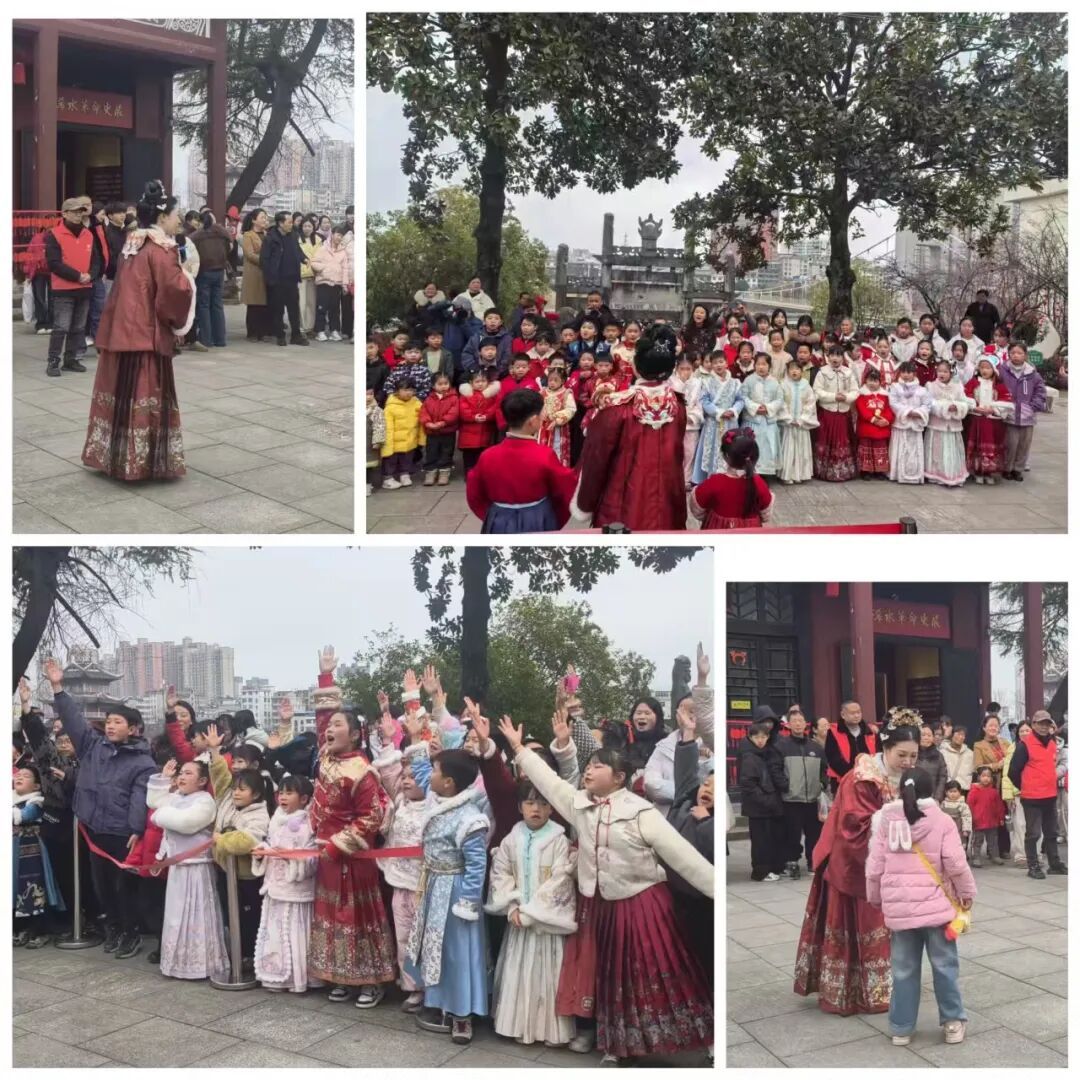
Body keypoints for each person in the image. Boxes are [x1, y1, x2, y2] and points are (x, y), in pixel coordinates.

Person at [501, 718, 714, 1064]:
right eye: (589, 765)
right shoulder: (579, 806)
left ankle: (706, 1039)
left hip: (645, 907)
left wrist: (717, 891)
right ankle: (618, 1046)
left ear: (619, 777)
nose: (589, 770)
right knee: (614, 978)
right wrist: (518, 748)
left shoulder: (641, 812)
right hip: (604, 908)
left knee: (663, 972)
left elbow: (684, 859)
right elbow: (549, 782)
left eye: (598, 766)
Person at [794, 711, 921, 1015]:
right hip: (853, 864)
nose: (908, 761)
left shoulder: (907, 777)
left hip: (888, 862)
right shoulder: (861, 778)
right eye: (902, 755)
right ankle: (852, 990)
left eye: (914, 755)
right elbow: (855, 828)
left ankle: (884, 984)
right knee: (862, 924)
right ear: (885, 748)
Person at [79, 180, 194, 482]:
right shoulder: (162, 249)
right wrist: (188, 279)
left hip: (122, 328)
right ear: (162, 217)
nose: (179, 220)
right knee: (146, 392)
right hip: (146, 332)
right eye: (176, 215)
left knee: (120, 393)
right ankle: (141, 461)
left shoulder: (132, 244)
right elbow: (173, 291)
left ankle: (115, 456)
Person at [44, 657, 155, 959]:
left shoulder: (143, 762)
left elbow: (140, 797)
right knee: (102, 886)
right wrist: (58, 688)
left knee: (124, 887)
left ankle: (130, 932)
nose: (111, 726)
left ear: (134, 728)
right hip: (94, 830)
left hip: (122, 834)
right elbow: (73, 721)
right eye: (108, 722)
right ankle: (114, 928)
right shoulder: (93, 747)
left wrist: (136, 829)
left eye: (118, 722)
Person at [307, 649, 396, 1005]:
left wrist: (337, 844)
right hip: (327, 856)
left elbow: (371, 817)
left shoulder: (362, 771)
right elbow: (322, 720)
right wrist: (326, 678)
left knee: (357, 917)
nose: (330, 730)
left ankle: (371, 981)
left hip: (353, 861)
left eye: (338, 726)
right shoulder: (327, 758)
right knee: (331, 916)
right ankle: (339, 974)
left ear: (357, 734)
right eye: (329, 726)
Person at [865, 766, 976, 1046]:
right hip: (937, 909)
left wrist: (876, 897)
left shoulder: (885, 821)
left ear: (901, 790)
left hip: (900, 911)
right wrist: (966, 893)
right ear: (932, 790)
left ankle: (901, 1028)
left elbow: (874, 866)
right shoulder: (942, 820)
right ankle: (952, 1022)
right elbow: (955, 863)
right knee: (945, 966)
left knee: (903, 969)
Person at [404, 742, 489, 1046]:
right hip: (433, 885)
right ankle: (438, 1001)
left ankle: (462, 1014)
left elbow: (477, 865)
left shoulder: (470, 818)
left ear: (449, 782)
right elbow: (421, 770)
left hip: (455, 891)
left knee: (457, 952)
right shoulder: (439, 798)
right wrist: (418, 738)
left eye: (436, 771)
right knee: (435, 948)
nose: (430, 776)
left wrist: (467, 902)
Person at [484, 778, 577, 1047]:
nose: (536, 809)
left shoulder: (559, 840)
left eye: (543, 803)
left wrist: (533, 912)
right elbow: (500, 874)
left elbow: (561, 880)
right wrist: (512, 905)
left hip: (544, 922)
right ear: (520, 807)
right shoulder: (511, 840)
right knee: (519, 969)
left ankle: (550, 1030)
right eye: (529, 803)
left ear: (551, 808)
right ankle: (517, 1024)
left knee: (548, 973)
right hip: (518, 920)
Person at [574, 323, 690, 531]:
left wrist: (585, 502)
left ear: (636, 365)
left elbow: (596, 459)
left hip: (621, 503)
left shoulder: (616, 407)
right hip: (668, 501)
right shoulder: (678, 406)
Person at [145, 758, 228, 979]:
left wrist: (160, 816)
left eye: (189, 774)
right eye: (181, 773)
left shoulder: (205, 802)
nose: (182, 777)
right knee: (176, 915)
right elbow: (154, 802)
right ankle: (177, 962)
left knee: (198, 914)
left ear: (202, 781)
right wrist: (164, 778)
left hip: (197, 869)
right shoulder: (176, 797)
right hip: (177, 868)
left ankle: (201, 964)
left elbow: (186, 823)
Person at [370, 720, 429, 1013]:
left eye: (413, 777)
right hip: (400, 884)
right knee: (404, 938)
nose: (406, 781)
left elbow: (422, 766)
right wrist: (389, 741)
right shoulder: (400, 803)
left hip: (425, 886)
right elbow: (389, 771)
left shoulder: (436, 806)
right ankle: (413, 988)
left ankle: (434, 989)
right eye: (404, 777)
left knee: (427, 939)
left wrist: (416, 738)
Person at [465, 388, 577, 532]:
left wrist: (492, 515)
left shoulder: (487, 455)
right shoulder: (544, 454)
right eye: (542, 413)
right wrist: (553, 518)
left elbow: (474, 493)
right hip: (537, 518)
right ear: (533, 421)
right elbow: (565, 489)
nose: (543, 416)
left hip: (499, 519)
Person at [206, 724, 271, 969]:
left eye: (242, 790)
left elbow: (246, 840)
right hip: (226, 870)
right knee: (228, 914)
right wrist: (215, 752)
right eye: (235, 789)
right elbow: (220, 776)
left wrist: (220, 839)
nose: (235, 793)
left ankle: (250, 958)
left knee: (249, 917)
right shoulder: (226, 798)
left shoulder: (260, 814)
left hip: (247, 877)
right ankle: (235, 955)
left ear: (256, 794)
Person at [251, 774, 320, 993]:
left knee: (294, 932)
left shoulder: (309, 824)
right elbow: (270, 844)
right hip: (274, 886)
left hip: (295, 890)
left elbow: (313, 858)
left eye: (289, 793)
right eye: (281, 793)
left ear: (304, 799)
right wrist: (262, 853)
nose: (283, 797)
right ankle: (275, 976)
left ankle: (298, 979)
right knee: (274, 931)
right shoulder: (275, 819)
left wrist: (291, 858)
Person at [45, 195, 102, 377]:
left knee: (78, 327)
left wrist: (91, 275)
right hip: (63, 289)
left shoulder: (88, 234)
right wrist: (78, 276)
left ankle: (70, 360)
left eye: (81, 212)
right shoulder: (54, 234)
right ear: (64, 213)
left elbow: (96, 260)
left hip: (84, 287)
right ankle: (53, 361)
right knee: (61, 326)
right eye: (75, 212)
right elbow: (54, 264)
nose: (79, 215)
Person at [1007, 710, 1067, 879]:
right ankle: (1032, 865)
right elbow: (1013, 771)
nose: (1043, 727)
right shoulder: (1024, 745)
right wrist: (1025, 786)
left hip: (1050, 795)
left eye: (1046, 723)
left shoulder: (1052, 743)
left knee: (1051, 832)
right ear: (1033, 725)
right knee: (1033, 834)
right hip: (1032, 797)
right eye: (1040, 723)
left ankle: (1054, 864)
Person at [13, 764, 65, 947]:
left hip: (32, 853)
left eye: (26, 776)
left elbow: (23, 817)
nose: (19, 777)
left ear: (36, 785)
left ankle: (40, 930)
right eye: (18, 774)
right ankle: (20, 928)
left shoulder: (35, 802)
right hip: (13, 854)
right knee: (14, 888)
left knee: (34, 888)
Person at [690, 427, 774, 530]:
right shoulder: (758, 483)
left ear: (726, 456)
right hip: (751, 531)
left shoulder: (715, 482)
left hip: (718, 530)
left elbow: (697, 508)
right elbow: (766, 514)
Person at [778, 705, 826, 879]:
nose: (798, 724)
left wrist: (821, 784)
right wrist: (786, 786)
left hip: (812, 799)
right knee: (792, 833)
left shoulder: (815, 747)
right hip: (791, 799)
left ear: (806, 724)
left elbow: (823, 770)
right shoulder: (782, 746)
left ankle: (813, 861)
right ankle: (792, 862)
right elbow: (776, 769)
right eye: (794, 721)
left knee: (814, 833)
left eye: (800, 720)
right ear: (788, 725)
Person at [997, 341, 1047, 481]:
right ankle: (1007, 468)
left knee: (1024, 444)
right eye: (1013, 353)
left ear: (1025, 355)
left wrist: (1033, 406)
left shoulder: (1032, 373)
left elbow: (1040, 391)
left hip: (1027, 416)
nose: (1016, 355)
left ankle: (1018, 469)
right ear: (1008, 354)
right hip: (1010, 415)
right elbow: (996, 387)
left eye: (1019, 353)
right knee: (1010, 444)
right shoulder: (1003, 371)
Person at [692, 350, 744, 483]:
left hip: (730, 423)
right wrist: (719, 412)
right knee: (712, 449)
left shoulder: (735, 382)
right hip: (713, 423)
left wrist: (733, 410)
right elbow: (704, 401)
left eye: (721, 362)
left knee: (730, 449)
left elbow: (740, 400)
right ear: (711, 365)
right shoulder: (706, 382)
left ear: (727, 363)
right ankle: (712, 477)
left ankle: (729, 477)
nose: (718, 365)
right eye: (715, 363)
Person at [261, 211, 309, 347]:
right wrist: (270, 278)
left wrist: (304, 259)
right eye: (289, 222)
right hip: (277, 280)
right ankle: (280, 335)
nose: (291, 224)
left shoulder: (293, 235)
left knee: (294, 309)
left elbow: (297, 250)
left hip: (292, 279)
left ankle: (296, 336)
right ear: (280, 223)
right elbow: (264, 260)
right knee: (278, 310)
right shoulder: (271, 238)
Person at [964, 357, 1013, 483]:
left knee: (992, 447)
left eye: (988, 368)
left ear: (994, 370)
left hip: (993, 422)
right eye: (982, 367)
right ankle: (978, 471)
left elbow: (1006, 401)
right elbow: (965, 396)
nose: (984, 370)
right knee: (978, 446)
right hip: (977, 421)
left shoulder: (999, 385)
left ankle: (989, 472)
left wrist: (993, 409)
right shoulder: (973, 382)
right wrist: (975, 407)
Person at [813, 346, 859, 481]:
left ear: (842, 358)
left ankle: (842, 472)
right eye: (832, 355)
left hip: (843, 413)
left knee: (843, 441)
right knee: (825, 440)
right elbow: (817, 391)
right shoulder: (822, 372)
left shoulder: (848, 372)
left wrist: (846, 397)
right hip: (827, 413)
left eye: (838, 355)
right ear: (828, 357)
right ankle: (824, 471)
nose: (835, 358)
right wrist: (833, 397)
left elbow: (855, 391)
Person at [189, 210, 231, 349]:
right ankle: (220, 339)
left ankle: (206, 339)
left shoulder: (196, 236)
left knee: (204, 305)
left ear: (200, 222)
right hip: (219, 271)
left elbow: (189, 252)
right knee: (217, 304)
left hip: (204, 272)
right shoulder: (222, 232)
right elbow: (229, 247)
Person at [924, 361, 971, 485]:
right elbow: (929, 403)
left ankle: (952, 474)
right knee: (937, 450)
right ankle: (935, 474)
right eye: (939, 371)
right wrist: (944, 407)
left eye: (945, 371)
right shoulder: (931, 386)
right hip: (937, 424)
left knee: (951, 450)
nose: (942, 374)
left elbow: (964, 401)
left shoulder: (958, 386)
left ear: (951, 373)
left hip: (953, 424)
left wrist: (957, 406)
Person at [888, 361, 932, 484]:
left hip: (915, 423)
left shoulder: (922, 390)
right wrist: (907, 412)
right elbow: (893, 403)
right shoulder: (895, 387)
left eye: (909, 372)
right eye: (903, 372)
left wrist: (918, 413)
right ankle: (897, 474)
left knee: (914, 449)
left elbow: (927, 404)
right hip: (901, 422)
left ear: (914, 373)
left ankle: (914, 474)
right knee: (900, 447)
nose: (906, 375)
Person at [739, 353, 782, 478]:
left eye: (764, 364)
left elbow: (779, 399)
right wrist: (755, 407)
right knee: (753, 446)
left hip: (768, 421)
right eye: (758, 364)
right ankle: (751, 472)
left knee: (768, 447)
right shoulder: (749, 380)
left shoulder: (774, 382)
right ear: (754, 365)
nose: (761, 367)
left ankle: (765, 474)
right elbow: (743, 396)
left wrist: (768, 408)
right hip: (753, 420)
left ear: (769, 366)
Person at [777, 357, 818, 484]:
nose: (794, 371)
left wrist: (802, 419)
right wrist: (788, 418)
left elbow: (810, 403)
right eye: (791, 369)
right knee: (788, 448)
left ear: (801, 371)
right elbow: (781, 403)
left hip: (801, 424)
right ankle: (787, 475)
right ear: (787, 371)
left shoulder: (806, 385)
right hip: (788, 424)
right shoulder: (783, 385)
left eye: (797, 369)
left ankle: (801, 474)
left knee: (801, 448)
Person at [824, 701, 877, 793]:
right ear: (843, 715)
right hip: (841, 778)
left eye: (858, 712)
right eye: (852, 713)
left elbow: (877, 753)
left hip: (868, 779)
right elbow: (832, 758)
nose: (856, 715)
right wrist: (851, 774)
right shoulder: (833, 732)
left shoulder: (870, 731)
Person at [381, 380, 424, 490]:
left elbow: (421, 422)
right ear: (397, 391)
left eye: (411, 390)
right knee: (390, 460)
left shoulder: (417, 403)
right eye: (405, 390)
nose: (408, 393)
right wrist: (387, 443)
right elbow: (388, 427)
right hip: (394, 441)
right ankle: (388, 478)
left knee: (407, 458)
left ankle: (404, 474)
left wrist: (421, 439)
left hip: (410, 439)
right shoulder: (391, 407)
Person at [419, 371, 459, 486]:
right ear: (433, 385)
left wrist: (443, 422)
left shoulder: (454, 398)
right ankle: (430, 472)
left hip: (447, 431)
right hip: (432, 432)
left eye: (446, 383)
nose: (443, 386)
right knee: (431, 452)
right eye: (440, 384)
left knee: (446, 452)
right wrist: (427, 423)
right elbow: (423, 412)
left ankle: (444, 472)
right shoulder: (429, 399)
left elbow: (454, 412)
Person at [309, 226, 349, 342]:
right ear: (332, 234)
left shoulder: (343, 252)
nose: (339, 238)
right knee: (321, 307)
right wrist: (323, 268)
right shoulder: (323, 248)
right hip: (324, 282)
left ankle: (334, 330)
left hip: (336, 283)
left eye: (341, 236)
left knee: (335, 309)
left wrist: (344, 284)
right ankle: (320, 331)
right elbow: (313, 262)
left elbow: (345, 268)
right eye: (338, 235)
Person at [854, 366, 894, 479]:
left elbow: (889, 409)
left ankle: (879, 471)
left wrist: (886, 420)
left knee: (879, 450)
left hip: (881, 428)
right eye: (870, 380)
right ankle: (865, 471)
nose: (872, 383)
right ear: (865, 381)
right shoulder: (861, 395)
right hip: (867, 427)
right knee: (866, 448)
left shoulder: (885, 396)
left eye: (875, 381)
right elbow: (862, 409)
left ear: (880, 382)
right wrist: (873, 420)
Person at [457, 369, 499, 476]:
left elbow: (494, 408)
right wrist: (473, 417)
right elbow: (463, 410)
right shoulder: (466, 395)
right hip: (468, 432)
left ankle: (482, 473)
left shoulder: (492, 396)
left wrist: (487, 416)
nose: (480, 384)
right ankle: (469, 473)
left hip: (485, 430)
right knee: (469, 456)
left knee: (483, 455)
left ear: (488, 382)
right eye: (477, 381)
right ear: (471, 383)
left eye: (483, 381)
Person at [1002, 719, 1032, 867]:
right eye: (1021, 731)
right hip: (1018, 793)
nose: (1025, 733)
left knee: (1035, 826)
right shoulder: (1013, 748)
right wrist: (1009, 795)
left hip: (1035, 792)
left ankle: (1036, 854)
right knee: (1019, 825)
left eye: (1027, 730)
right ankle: (1021, 855)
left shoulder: (1037, 747)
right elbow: (1007, 773)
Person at [538, 364, 577, 467]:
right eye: (550, 380)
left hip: (558, 428)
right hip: (542, 426)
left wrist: (557, 420)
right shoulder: (542, 392)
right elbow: (536, 406)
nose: (552, 383)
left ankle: (556, 469)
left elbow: (571, 409)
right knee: (541, 448)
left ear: (563, 381)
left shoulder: (566, 393)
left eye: (556, 380)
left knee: (556, 449)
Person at [966, 766, 1005, 867]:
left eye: (988, 776)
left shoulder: (994, 792)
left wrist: (1001, 817)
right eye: (983, 776)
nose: (986, 778)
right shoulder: (974, 791)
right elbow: (969, 806)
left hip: (992, 821)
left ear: (992, 778)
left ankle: (994, 856)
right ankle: (976, 857)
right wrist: (970, 819)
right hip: (978, 821)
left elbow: (999, 806)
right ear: (978, 777)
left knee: (993, 841)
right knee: (977, 841)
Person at [241, 208, 270, 341]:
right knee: (254, 304)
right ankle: (252, 332)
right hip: (254, 273)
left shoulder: (267, 235)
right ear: (254, 220)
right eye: (262, 217)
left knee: (264, 304)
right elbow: (249, 254)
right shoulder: (248, 235)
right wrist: (266, 260)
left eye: (266, 217)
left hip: (266, 273)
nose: (265, 220)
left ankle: (262, 331)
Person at [297, 218, 321, 334]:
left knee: (312, 302)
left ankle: (310, 327)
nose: (307, 228)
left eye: (309, 226)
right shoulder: (296, 239)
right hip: (301, 275)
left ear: (313, 227)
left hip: (314, 274)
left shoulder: (318, 240)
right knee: (301, 302)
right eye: (305, 226)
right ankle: (302, 326)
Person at [917, 724, 948, 802]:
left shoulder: (939, 756)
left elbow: (942, 778)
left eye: (929, 735)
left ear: (933, 738)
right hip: (913, 795)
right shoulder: (912, 753)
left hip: (931, 797)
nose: (926, 738)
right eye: (923, 735)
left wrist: (937, 798)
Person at [941, 727, 975, 793]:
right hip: (946, 789)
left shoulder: (970, 754)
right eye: (958, 734)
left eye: (963, 735)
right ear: (952, 735)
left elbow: (973, 771)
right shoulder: (942, 751)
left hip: (963, 790)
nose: (961, 737)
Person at [940, 781, 972, 848]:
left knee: (959, 845)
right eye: (950, 792)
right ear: (946, 792)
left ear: (959, 792)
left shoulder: (962, 805)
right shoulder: (943, 804)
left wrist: (966, 829)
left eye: (955, 791)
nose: (953, 794)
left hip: (959, 830)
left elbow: (967, 817)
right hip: (946, 830)